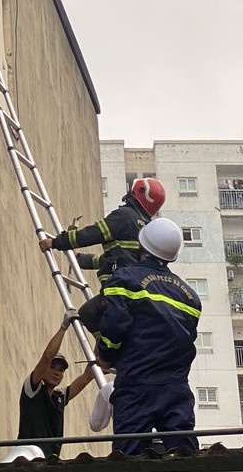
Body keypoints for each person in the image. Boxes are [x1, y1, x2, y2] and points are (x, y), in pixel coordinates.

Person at [95, 217, 201, 457]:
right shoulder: (190, 297)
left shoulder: (125, 279)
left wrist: (105, 355)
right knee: (185, 457)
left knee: (129, 458)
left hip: (137, 385)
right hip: (176, 389)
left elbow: (114, 326)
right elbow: (183, 340)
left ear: (141, 247)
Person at [38, 177, 166, 334]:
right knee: (111, 326)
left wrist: (56, 242)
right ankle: (107, 354)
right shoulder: (147, 229)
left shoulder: (124, 216)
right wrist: (81, 260)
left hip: (118, 288)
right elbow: (116, 259)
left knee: (88, 314)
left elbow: (93, 234)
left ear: (137, 192)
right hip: (137, 292)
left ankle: (104, 356)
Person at [17, 310, 95, 457]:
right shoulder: (32, 390)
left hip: (49, 461)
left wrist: (101, 337)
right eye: (53, 367)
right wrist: (63, 327)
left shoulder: (59, 398)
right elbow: (47, 357)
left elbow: (86, 377)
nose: (57, 372)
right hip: (28, 458)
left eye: (61, 370)